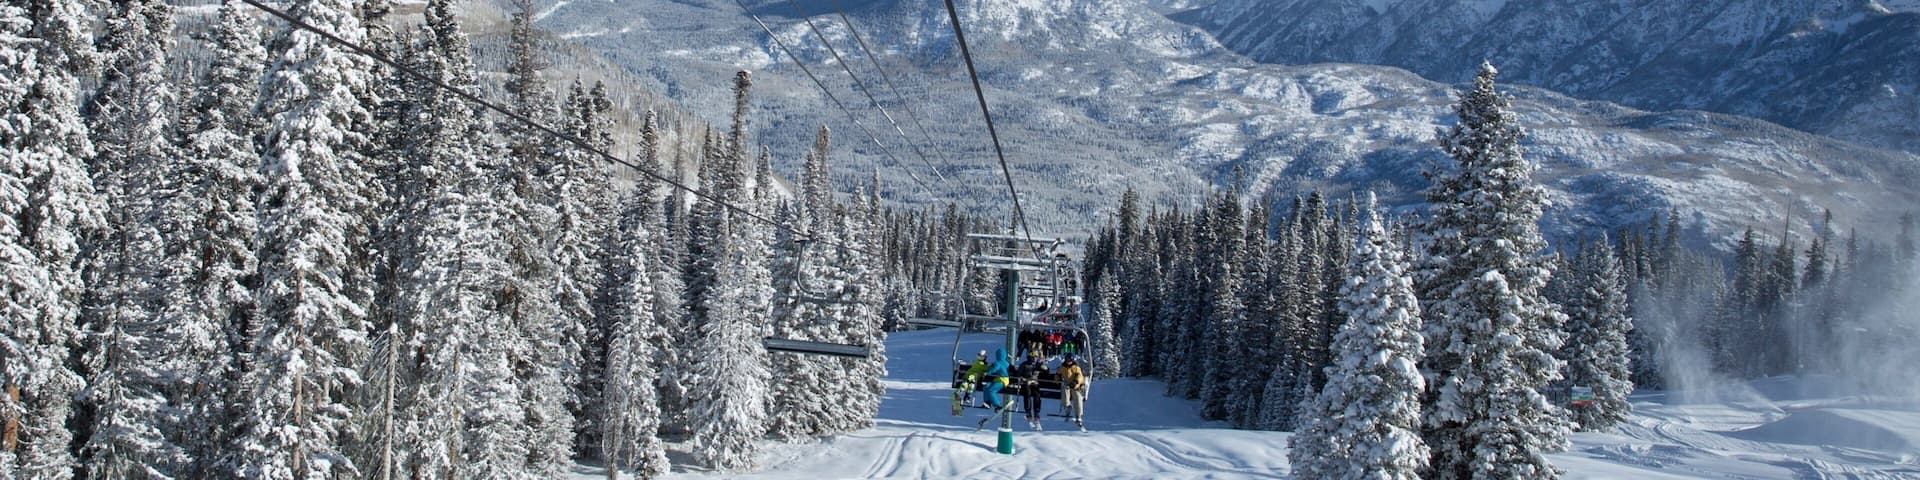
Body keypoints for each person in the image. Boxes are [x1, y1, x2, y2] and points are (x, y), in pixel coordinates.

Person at [1015, 351, 1048, 430]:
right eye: (1032, 357)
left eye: (1035, 357)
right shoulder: (1024, 365)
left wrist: (1045, 368)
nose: (1033, 359)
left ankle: (1036, 414)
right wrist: (1023, 379)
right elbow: (1018, 374)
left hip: (1034, 383)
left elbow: (1046, 372)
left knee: (1037, 395)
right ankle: (1028, 412)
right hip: (1026, 383)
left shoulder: (1037, 365)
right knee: (1027, 394)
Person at [1058, 353, 1087, 428]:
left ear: (1072, 360)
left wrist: (1076, 382)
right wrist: (1058, 378)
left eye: (1070, 360)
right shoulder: (1062, 367)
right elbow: (1057, 374)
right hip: (1067, 385)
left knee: (1077, 398)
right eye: (1067, 360)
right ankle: (1067, 407)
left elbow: (1080, 376)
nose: (1068, 361)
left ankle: (1078, 416)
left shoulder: (1076, 367)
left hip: (1075, 386)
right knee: (1065, 392)